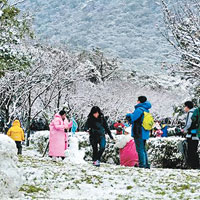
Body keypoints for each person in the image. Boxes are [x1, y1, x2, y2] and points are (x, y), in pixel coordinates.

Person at [126, 96, 151, 169]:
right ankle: (146, 164)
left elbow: (133, 118)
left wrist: (129, 114)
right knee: (143, 149)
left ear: (139, 101)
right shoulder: (146, 110)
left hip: (139, 131)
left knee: (140, 149)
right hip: (144, 131)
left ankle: (142, 165)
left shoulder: (139, 109)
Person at [182, 101, 199, 169]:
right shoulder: (196, 112)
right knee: (194, 150)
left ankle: (193, 166)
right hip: (196, 135)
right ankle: (196, 165)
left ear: (187, 107)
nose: (184, 108)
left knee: (190, 151)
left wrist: (183, 130)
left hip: (191, 135)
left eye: (184, 107)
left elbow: (188, 124)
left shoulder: (190, 113)